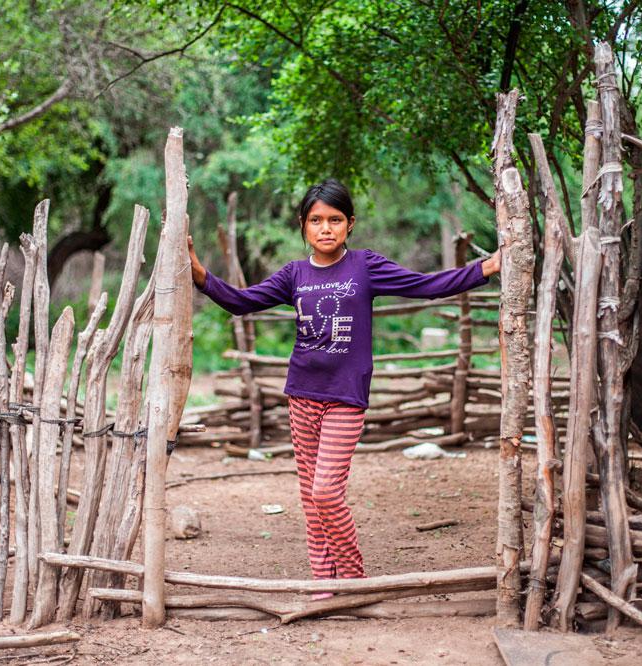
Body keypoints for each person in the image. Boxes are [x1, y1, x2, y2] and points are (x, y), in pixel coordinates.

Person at [189, 179, 499, 592]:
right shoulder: (294, 274)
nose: (325, 228)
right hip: (302, 394)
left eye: (335, 220)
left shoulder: (364, 266)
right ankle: (324, 582)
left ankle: (353, 579)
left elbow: (424, 286)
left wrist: (485, 268)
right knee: (310, 497)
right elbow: (241, 301)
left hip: (345, 397)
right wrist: (200, 274)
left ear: (350, 224)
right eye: (316, 220)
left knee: (325, 492)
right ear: (303, 225)